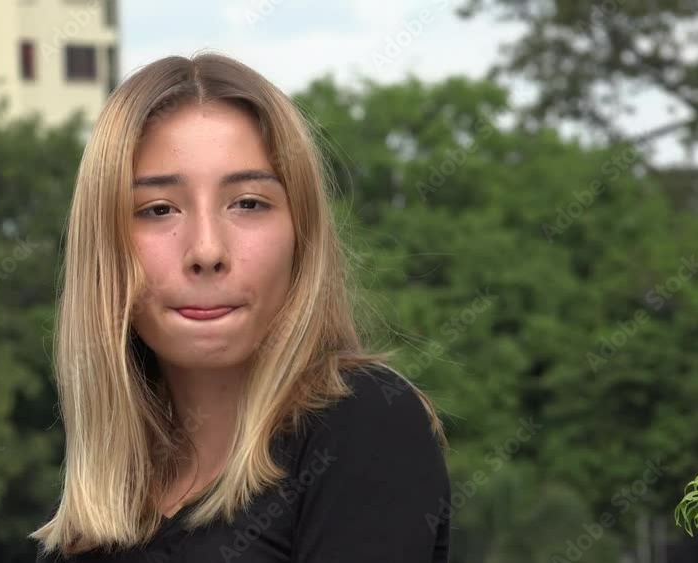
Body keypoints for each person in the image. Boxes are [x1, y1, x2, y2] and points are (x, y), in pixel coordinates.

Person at [30, 50, 451, 562]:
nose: (207, 251)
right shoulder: (86, 531)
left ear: (302, 234)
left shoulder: (364, 426)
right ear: (104, 251)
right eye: (158, 209)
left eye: (248, 203)